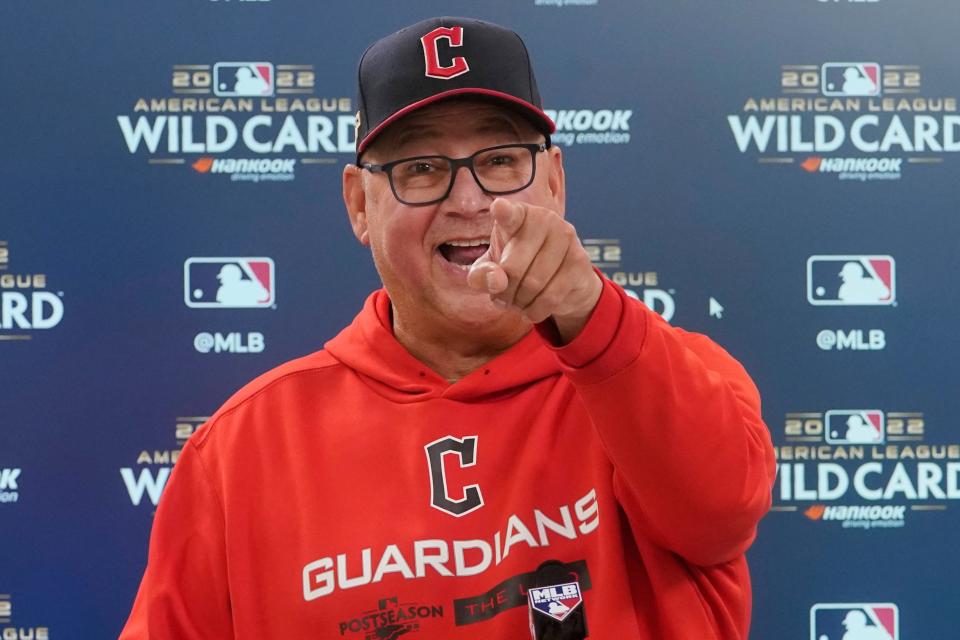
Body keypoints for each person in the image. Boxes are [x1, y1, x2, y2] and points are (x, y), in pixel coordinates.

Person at [119, 16, 775, 639]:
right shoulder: (238, 453)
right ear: (359, 205)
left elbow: (719, 517)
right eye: (422, 168)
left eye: (499, 161)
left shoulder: (674, 374)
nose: (470, 202)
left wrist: (592, 317)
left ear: (554, 180)